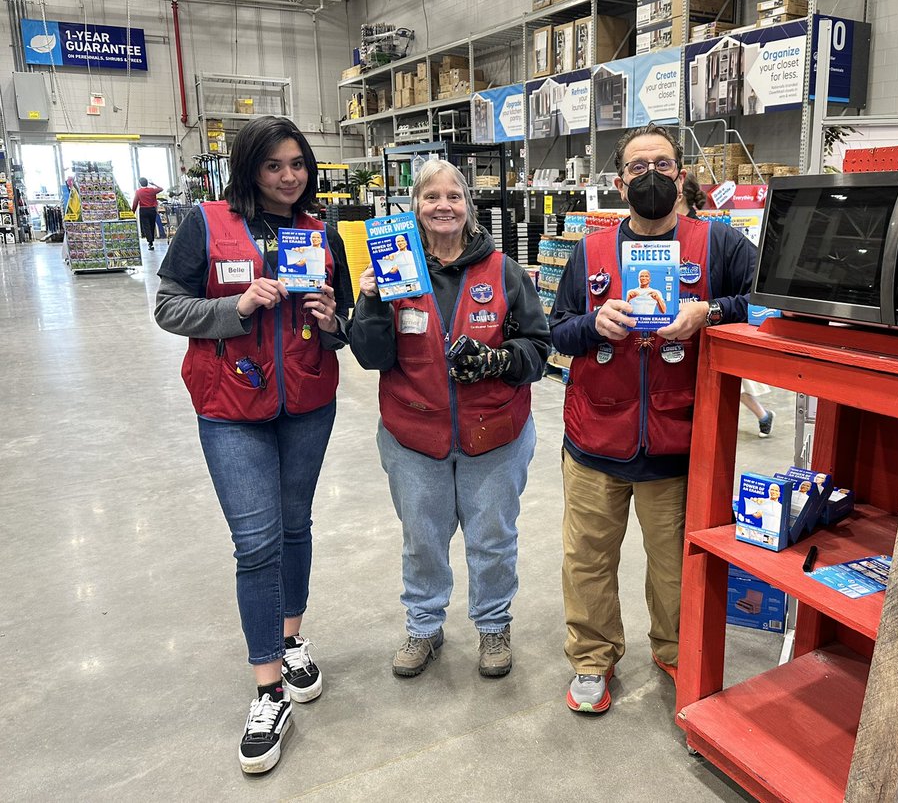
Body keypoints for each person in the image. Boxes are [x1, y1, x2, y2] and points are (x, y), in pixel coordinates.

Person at [154, 116, 353, 775]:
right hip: (230, 407)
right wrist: (234, 307)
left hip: (307, 404)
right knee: (256, 542)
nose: (289, 176)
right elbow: (167, 305)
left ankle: (290, 638)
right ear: (250, 170)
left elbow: (343, 322)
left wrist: (332, 323)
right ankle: (269, 689)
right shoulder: (208, 223)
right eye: (273, 166)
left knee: (295, 525)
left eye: (298, 163)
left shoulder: (321, 232)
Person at [550, 124, 757, 714]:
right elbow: (556, 328)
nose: (650, 177)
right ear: (619, 182)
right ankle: (592, 660)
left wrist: (710, 312)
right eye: (637, 168)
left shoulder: (720, 246)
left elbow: (770, 300)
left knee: (674, 567)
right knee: (587, 560)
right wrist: (594, 325)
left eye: (661, 165)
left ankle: (674, 649)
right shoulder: (590, 251)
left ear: (682, 174)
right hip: (596, 437)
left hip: (678, 439)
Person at [350, 159, 549, 682]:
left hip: (496, 434)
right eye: (431, 197)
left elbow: (539, 348)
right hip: (414, 435)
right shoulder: (394, 270)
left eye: (454, 196)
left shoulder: (503, 270)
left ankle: (493, 626)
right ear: (414, 206)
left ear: (468, 206)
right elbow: (371, 357)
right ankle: (423, 626)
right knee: (422, 538)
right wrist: (369, 301)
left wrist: (500, 360)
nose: (443, 206)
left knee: (493, 538)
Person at [675, 174, 774, 435]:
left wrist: (712, 309)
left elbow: (766, 289)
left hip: (708, 361)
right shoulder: (632, 241)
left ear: (679, 190)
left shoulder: (717, 238)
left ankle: (764, 415)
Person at [131, 177, 163, 250]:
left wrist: (132, 212)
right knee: (152, 226)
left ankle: (150, 242)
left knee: (146, 227)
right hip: (152, 210)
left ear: (140, 183)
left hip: (143, 210)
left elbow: (135, 202)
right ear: (147, 183)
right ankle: (151, 241)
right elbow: (161, 189)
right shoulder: (152, 190)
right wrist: (154, 184)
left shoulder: (138, 192)